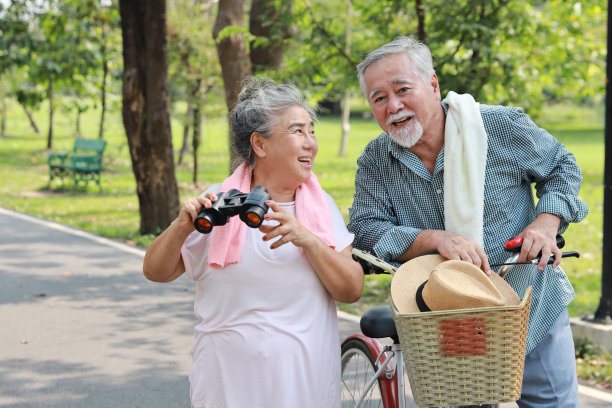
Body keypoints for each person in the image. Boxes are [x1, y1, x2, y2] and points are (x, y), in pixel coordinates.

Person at [348, 36, 588, 407]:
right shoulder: (377, 160)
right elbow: (365, 229)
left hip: (528, 301)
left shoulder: (500, 126)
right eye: (379, 98)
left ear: (432, 84)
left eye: (402, 89)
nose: (393, 106)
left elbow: (562, 167)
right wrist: (434, 239)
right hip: (446, 318)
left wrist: (545, 224)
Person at [143, 77, 364, 408]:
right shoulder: (216, 203)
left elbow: (351, 289)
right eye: (297, 131)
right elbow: (155, 271)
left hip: (303, 388)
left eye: (311, 131)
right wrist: (180, 227)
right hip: (227, 387)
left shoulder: (321, 210)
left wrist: (308, 240)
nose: (311, 143)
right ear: (260, 145)